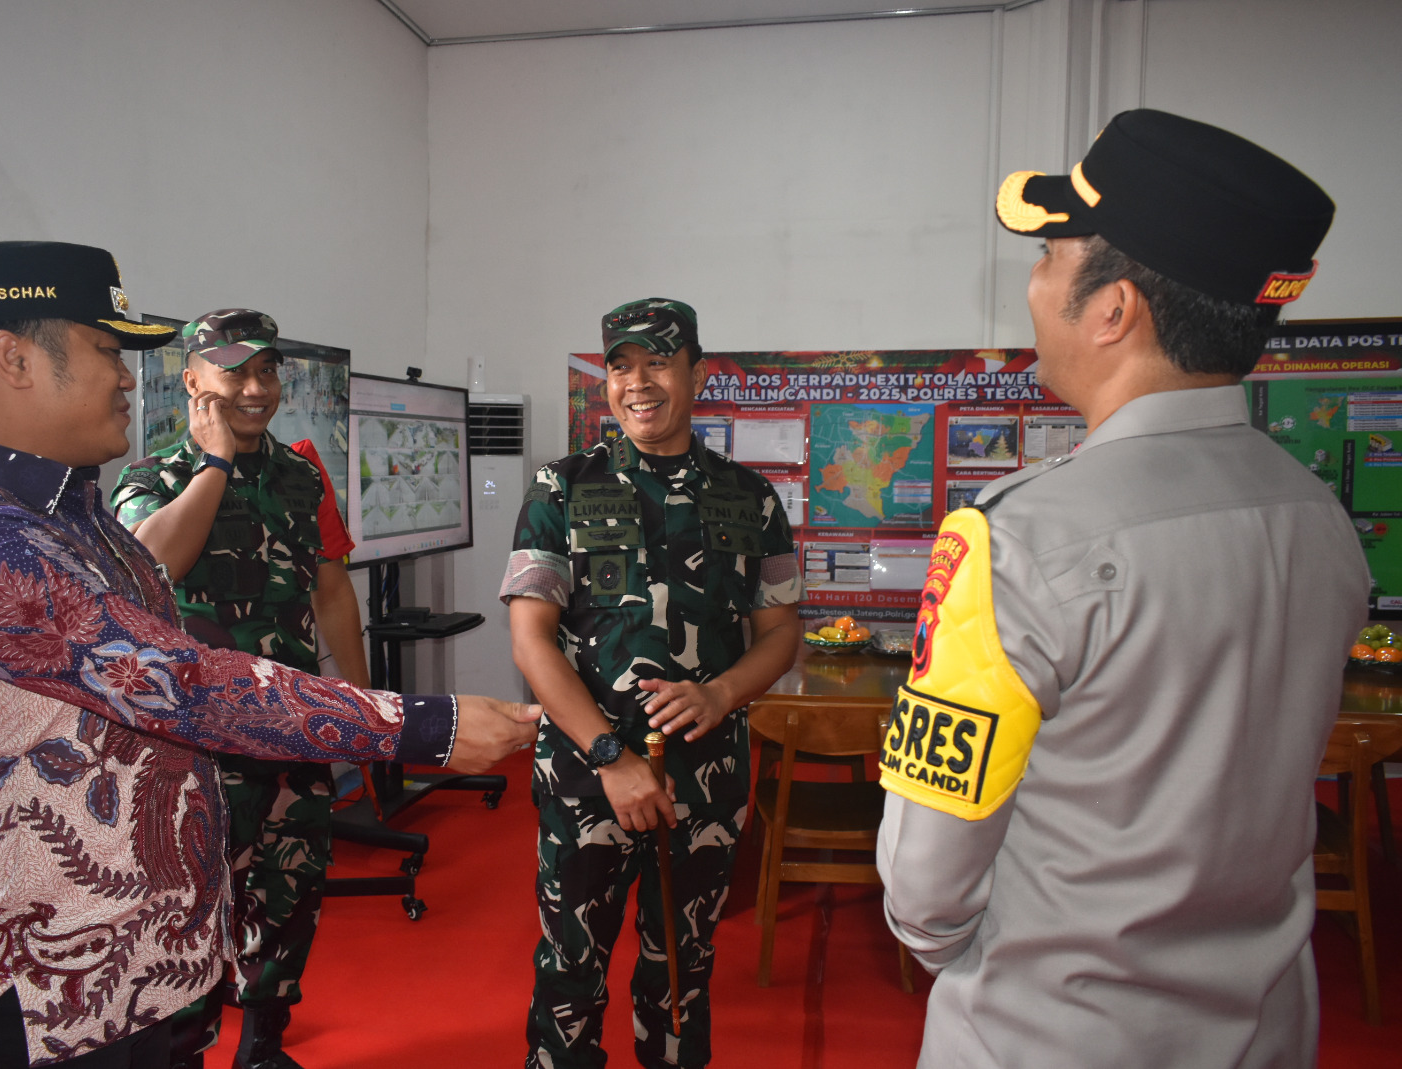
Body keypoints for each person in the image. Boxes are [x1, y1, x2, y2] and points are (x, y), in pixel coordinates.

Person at [0, 241, 538, 1068]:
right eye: (109, 350)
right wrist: (417, 724)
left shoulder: (69, 512)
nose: (126, 376)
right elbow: (176, 683)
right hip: (33, 996)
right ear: (13, 358)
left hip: (134, 978)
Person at [876, 109, 1370, 1068]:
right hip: (1263, 1024)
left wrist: (948, 946)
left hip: (1050, 1029)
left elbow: (928, 882)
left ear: (1113, 310)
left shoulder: (1020, 540)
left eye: (1051, 256)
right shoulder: (1319, 518)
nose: (1034, 283)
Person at [502, 298, 802, 1069]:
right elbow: (532, 641)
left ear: (698, 373)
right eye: (621, 364)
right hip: (585, 776)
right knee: (571, 971)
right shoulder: (559, 487)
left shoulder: (752, 497)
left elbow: (780, 634)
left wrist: (719, 693)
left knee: (683, 971)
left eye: (658, 361)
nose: (638, 382)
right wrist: (610, 754)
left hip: (706, 776)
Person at [110, 309, 368, 1069]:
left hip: (289, 730)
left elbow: (330, 589)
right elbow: (149, 565)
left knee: (290, 890)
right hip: (193, 746)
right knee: (189, 907)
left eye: (266, 370)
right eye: (234, 371)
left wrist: (362, 707)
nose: (255, 387)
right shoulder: (149, 476)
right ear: (192, 380)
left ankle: (263, 1041)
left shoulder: (301, 475)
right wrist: (213, 463)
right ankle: (185, 1047)